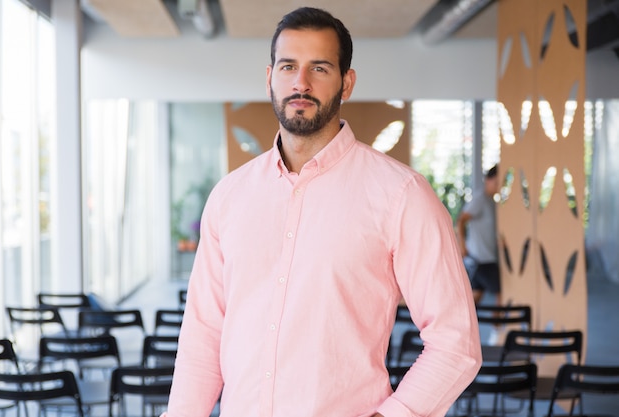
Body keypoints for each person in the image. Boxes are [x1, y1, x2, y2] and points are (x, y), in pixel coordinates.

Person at [165, 7, 481, 417]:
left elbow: (456, 343)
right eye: (288, 66)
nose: (301, 82)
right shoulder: (229, 196)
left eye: (319, 67)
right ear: (269, 79)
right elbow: (203, 336)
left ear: (346, 83)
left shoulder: (402, 195)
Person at [456, 164, 501, 306]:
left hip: (485, 258)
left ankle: (462, 326)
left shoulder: (492, 202)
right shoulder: (480, 199)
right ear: (489, 179)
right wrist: (462, 245)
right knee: (501, 293)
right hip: (481, 259)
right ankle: (498, 327)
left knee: (475, 297)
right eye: (497, 181)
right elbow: (461, 220)